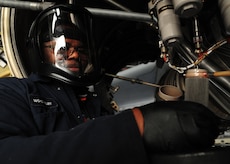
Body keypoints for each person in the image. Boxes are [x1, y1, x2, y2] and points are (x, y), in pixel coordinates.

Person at [0, 4, 219, 164]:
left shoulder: (93, 102)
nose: (74, 54)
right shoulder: (14, 92)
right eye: (62, 48)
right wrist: (133, 128)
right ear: (38, 52)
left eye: (80, 49)